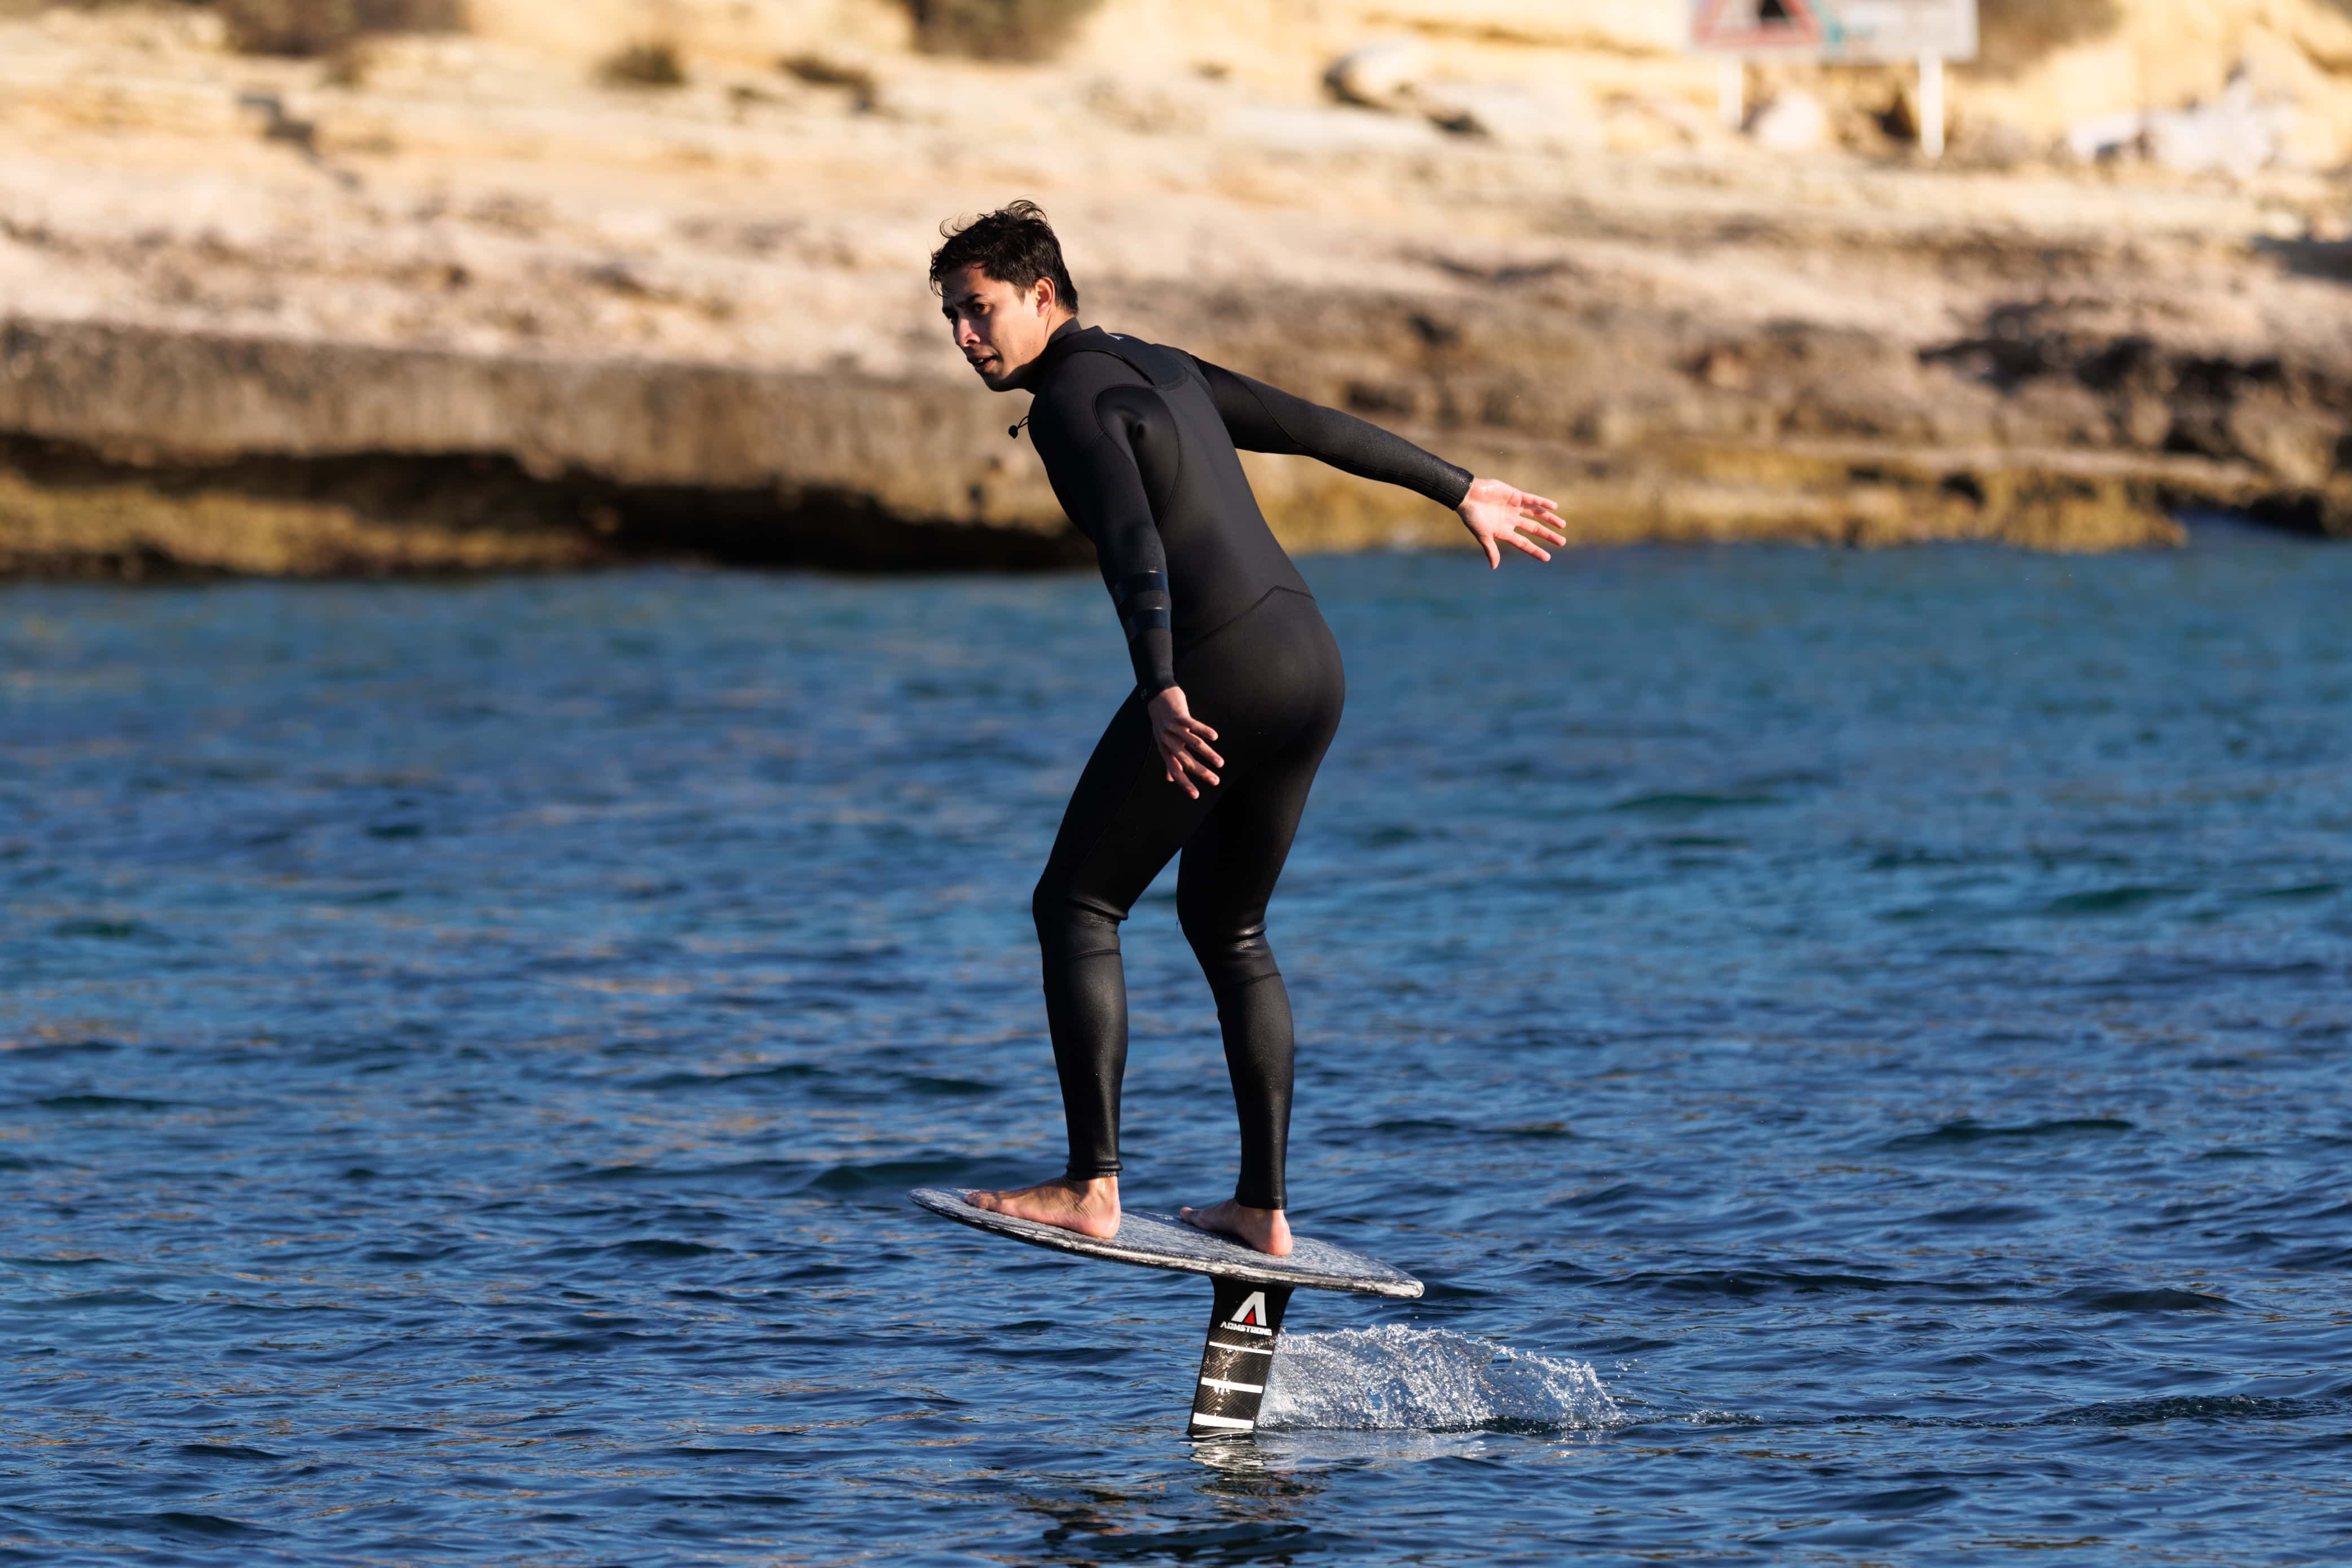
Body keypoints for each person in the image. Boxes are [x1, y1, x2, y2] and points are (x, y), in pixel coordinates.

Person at [938, 200, 1565, 1256]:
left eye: (980, 310)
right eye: (951, 316)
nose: (964, 337)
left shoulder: (1065, 405)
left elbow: (1132, 540)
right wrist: (1455, 489)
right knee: (1226, 927)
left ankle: (1092, 1184)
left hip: (1219, 665)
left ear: (1043, 295)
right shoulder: (1160, 366)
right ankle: (1261, 1209)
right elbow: (1311, 429)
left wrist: (1159, 685)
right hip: (1308, 659)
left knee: (1077, 903)